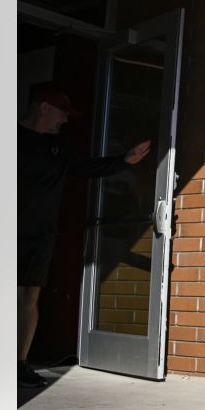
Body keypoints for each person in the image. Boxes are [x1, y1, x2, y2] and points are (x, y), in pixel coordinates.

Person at [18, 83, 151, 388]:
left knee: (29, 298)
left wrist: (123, 160)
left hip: (41, 236)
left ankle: (19, 364)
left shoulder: (57, 148)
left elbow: (89, 167)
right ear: (44, 107)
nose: (65, 119)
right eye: (62, 112)